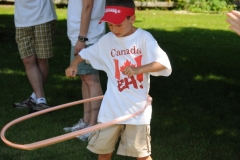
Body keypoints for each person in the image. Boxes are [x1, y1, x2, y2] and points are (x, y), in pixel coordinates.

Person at [65, 0, 172, 159]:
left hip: (137, 109)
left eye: (118, 24)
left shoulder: (143, 38)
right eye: (109, 25)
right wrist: (74, 64)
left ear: (132, 18)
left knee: (142, 155)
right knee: (104, 153)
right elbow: (87, 53)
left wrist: (139, 69)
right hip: (111, 108)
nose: (114, 29)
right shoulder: (108, 40)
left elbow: (163, 63)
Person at [63, 0, 105, 141]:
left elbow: (88, 6)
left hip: (87, 37)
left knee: (91, 79)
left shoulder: (84, 38)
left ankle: (93, 126)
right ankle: (86, 122)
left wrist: (82, 38)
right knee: (85, 78)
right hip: (81, 36)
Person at [13, 1, 57, 113]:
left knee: (41, 59)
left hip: (43, 16)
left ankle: (40, 100)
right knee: (27, 60)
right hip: (22, 18)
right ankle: (38, 99)